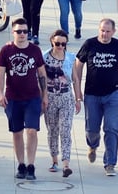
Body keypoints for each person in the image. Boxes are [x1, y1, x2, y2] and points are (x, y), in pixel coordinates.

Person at [73, 18, 118, 177]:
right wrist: (77, 91)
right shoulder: (89, 44)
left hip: (112, 94)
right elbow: (78, 66)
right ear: (98, 30)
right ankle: (92, 145)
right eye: (102, 31)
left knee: (111, 128)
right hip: (92, 94)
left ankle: (110, 163)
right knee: (92, 129)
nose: (104, 34)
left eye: (107, 31)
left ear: (113, 32)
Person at [0, 18, 48, 181]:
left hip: (32, 98)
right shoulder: (6, 51)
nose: (22, 34)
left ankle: (31, 165)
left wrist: (44, 95)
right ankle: (21, 164)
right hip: (13, 98)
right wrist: (0, 93)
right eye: (19, 31)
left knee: (32, 131)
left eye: (25, 31)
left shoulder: (35, 50)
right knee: (17, 133)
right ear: (13, 32)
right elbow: (0, 74)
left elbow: (42, 74)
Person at [43, 29, 78, 177]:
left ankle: (66, 164)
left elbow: (75, 79)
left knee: (65, 130)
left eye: (63, 44)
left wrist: (78, 99)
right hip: (49, 98)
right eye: (57, 43)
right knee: (52, 130)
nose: (60, 46)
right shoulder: (44, 57)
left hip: (66, 98)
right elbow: (40, 79)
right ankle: (54, 160)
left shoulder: (70, 58)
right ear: (52, 41)